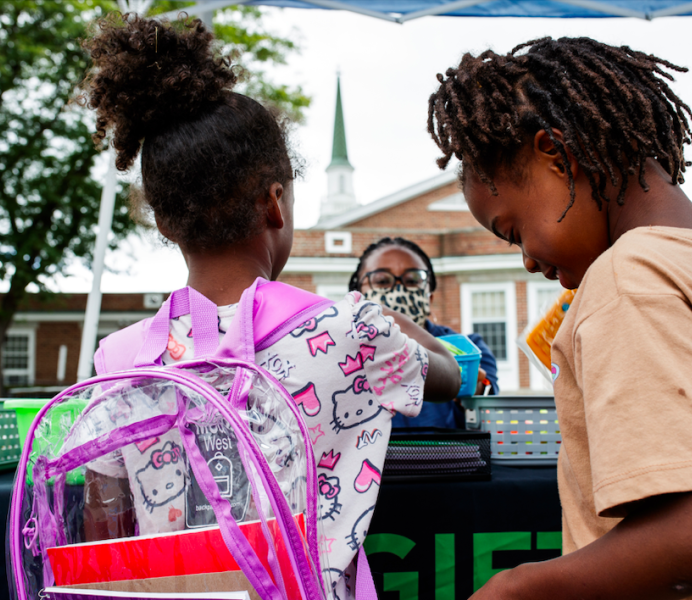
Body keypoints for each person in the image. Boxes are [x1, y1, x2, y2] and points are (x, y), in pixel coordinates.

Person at [77, 13, 460, 599]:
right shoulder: (348, 330)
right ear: (274, 204)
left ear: (164, 220)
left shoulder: (119, 358)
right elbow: (451, 376)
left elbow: (103, 531)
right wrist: (381, 313)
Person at [428, 37, 692, 599]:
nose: (529, 258)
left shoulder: (628, 280)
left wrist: (518, 588)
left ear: (555, 154)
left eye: (512, 231)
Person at [349, 237, 499, 429]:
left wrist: (474, 393)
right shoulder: (342, 351)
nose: (398, 289)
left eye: (412, 280)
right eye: (382, 281)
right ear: (357, 294)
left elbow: (490, 404)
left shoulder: (469, 350)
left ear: (430, 297)